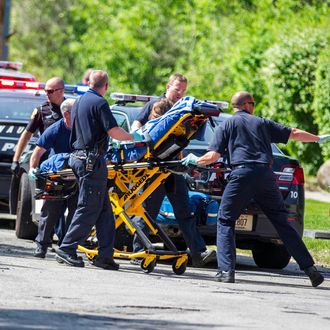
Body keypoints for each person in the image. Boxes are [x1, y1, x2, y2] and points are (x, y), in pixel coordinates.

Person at [182, 91, 328, 287]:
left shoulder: (227, 125)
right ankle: (310, 269)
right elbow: (293, 133)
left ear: (235, 106)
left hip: (241, 175)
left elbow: (213, 156)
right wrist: (317, 138)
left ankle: (226, 271)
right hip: (267, 177)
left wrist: (194, 160)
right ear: (248, 104)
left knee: (225, 220)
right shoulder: (261, 123)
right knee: (282, 223)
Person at [56, 70, 144, 269]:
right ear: (106, 86)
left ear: (89, 83)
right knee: (88, 207)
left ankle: (105, 255)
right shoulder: (100, 103)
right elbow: (113, 131)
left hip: (80, 157)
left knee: (104, 210)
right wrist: (134, 138)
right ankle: (67, 248)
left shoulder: (79, 101)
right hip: (91, 161)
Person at [131, 73, 216, 267]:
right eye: (177, 89)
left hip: (174, 168)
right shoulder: (155, 105)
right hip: (153, 169)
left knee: (185, 212)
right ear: (168, 86)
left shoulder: (183, 112)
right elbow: (136, 129)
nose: (180, 94)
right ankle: (138, 250)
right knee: (147, 212)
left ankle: (197, 253)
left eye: (183, 91)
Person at [28, 99, 77, 258]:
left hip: (76, 176)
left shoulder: (82, 128)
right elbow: (38, 152)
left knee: (75, 212)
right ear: (67, 114)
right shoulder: (55, 129)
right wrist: (33, 170)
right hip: (56, 175)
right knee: (50, 212)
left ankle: (66, 247)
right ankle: (41, 245)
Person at [11, 77, 65, 176]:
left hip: (67, 159)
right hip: (46, 160)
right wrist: (16, 160)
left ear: (61, 91)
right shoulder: (41, 110)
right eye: (45, 91)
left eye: (50, 91)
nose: (46, 94)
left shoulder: (71, 108)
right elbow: (27, 135)